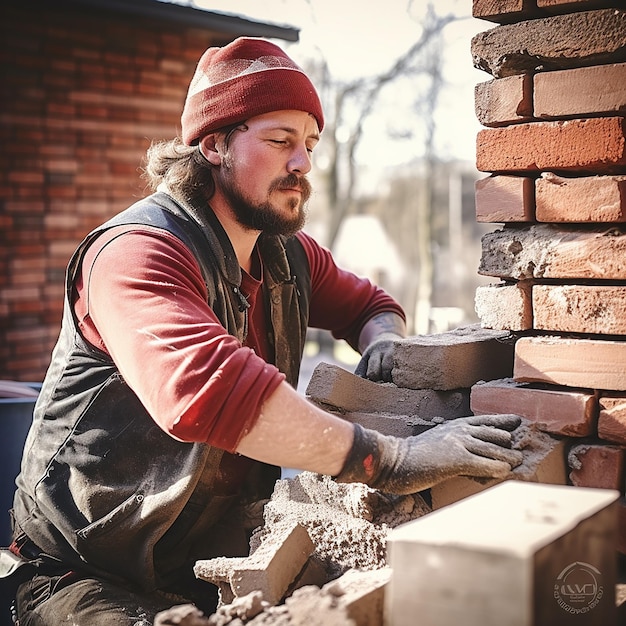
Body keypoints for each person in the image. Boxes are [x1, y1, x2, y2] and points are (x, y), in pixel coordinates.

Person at [6, 37, 523, 625]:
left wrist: (384, 344)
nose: (302, 163)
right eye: (280, 141)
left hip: (220, 567)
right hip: (86, 575)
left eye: (309, 144)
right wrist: (394, 457)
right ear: (214, 145)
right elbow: (209, 394)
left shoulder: (286, 254)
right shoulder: (137, 253)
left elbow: (372, 305)